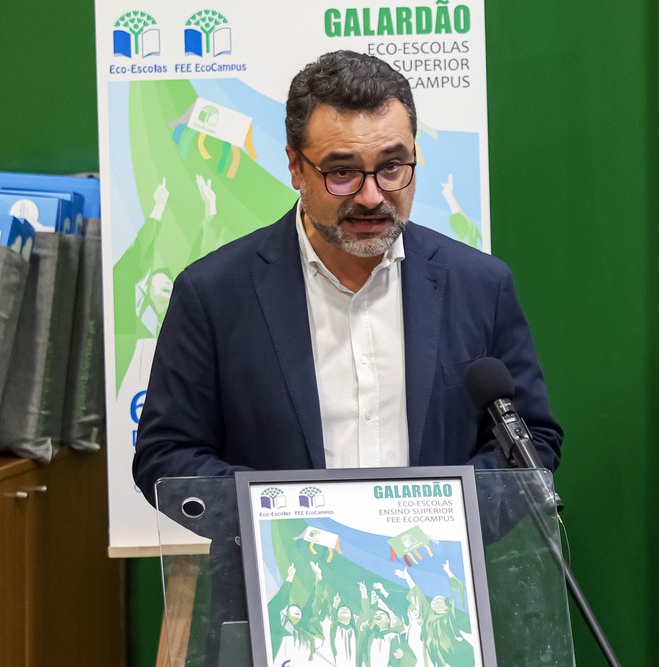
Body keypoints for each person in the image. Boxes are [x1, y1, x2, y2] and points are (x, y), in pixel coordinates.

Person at [132, 49, 562, 503]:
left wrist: (447, 516)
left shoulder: (480, 285)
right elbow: (168, 456)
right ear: (296, 166)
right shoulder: (213, 293)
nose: (373, 196)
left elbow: (530, 439)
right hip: (285, 565)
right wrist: (282, 519)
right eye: (342, 172)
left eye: (392, 167)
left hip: (442, 568)